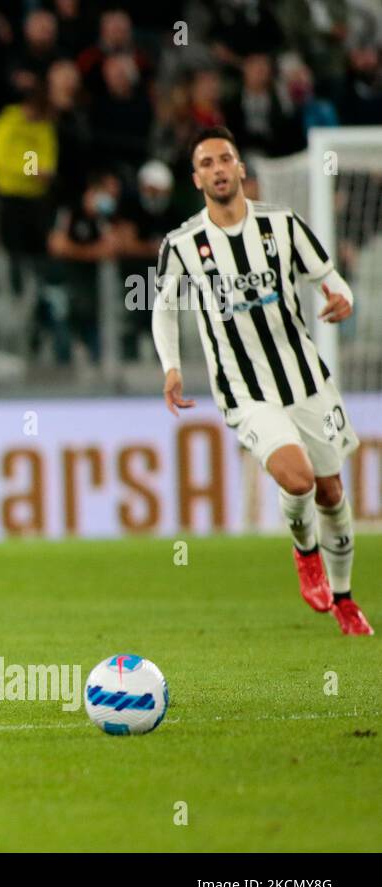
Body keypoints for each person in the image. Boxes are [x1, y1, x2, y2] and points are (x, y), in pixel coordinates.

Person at [152, 127, 370, 636]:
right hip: (245, 390)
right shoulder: (182, 244)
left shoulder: (282, 224)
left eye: (225, 158)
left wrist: (344, 298)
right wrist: (172, 366)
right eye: (206, 163)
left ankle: (343, 598)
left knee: (332, 493)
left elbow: (327, 274)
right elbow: (163, 310)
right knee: (297, 478)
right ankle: (305, 554)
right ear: (196, 177)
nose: (218, 168)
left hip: (305, 378)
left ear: (241, 168)